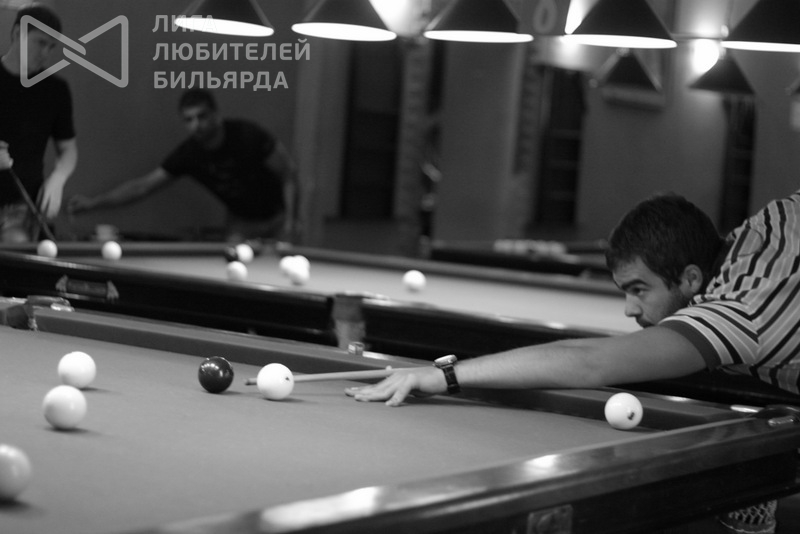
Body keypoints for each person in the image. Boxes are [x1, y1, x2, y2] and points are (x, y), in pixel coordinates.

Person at [346, 190, 800, 534]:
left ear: (691, 278)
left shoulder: (740, 310)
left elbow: (590, 362)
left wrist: (445, 374)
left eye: (639, 289)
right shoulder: (770, 221)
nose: (629, 309)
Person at [68, 88, 298, 242]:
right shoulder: (190, 154)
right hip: (241, 223)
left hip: (278, 218)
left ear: (216, 115)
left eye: (202, 116)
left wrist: (292, 221)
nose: (196, 125)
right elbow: (142, 187)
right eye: (189, 119)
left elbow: (288, 174)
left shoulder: (248, 136)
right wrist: (92, 204)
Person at [0, 3, 78, 242]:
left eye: (51, 46)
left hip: (23, 206)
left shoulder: (55, 90)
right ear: (17, 34)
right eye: (40, 43)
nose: (45, 53)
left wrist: (58, 178)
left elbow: (68, 149)